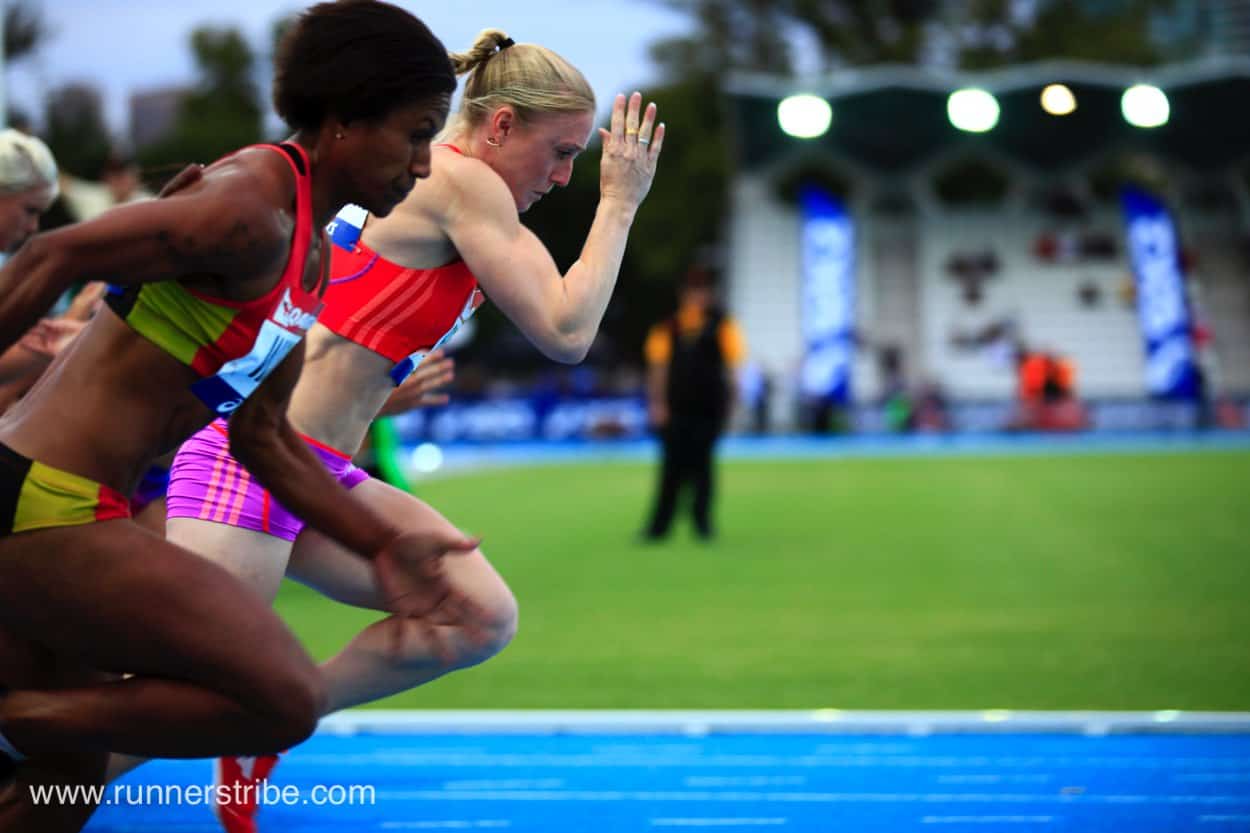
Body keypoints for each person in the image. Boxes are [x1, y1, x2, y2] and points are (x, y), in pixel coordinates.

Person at [127, 28, 663, 833]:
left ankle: (272, 720)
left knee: (475, 613)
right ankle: (33, 775)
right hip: (250, 461)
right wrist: (618, 202)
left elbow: (330, 329)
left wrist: (377, 397)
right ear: (502, 125)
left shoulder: (410, 183)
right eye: (560, 153)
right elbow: (566, 329)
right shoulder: (460, 183)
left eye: (579, 164)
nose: (563, 177)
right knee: (161, 700)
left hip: (310, 468)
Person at [0, 3, 481, 831]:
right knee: (284, 696)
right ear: (339, 121)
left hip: (87, 509)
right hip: (46, 501)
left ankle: (29, 732)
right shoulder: (247, 208)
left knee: (65, 782)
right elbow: (54, 253)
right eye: (414, 133)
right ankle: (15, 723)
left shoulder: (313, 255)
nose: (425, 163)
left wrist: (385, 545)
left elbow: (263, 437)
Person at [641, 266, 746, 541]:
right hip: (677, 407)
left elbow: (734, 367)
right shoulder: (668, 327)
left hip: (709, 407)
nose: (697, 297)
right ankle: (660, 526)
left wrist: (734, 403)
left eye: (701, 291)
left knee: (703, 467)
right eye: (692, 291)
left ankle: (702, 523)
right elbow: (658, 368)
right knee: (671, 468)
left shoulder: (722, 326)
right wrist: (658, 404)